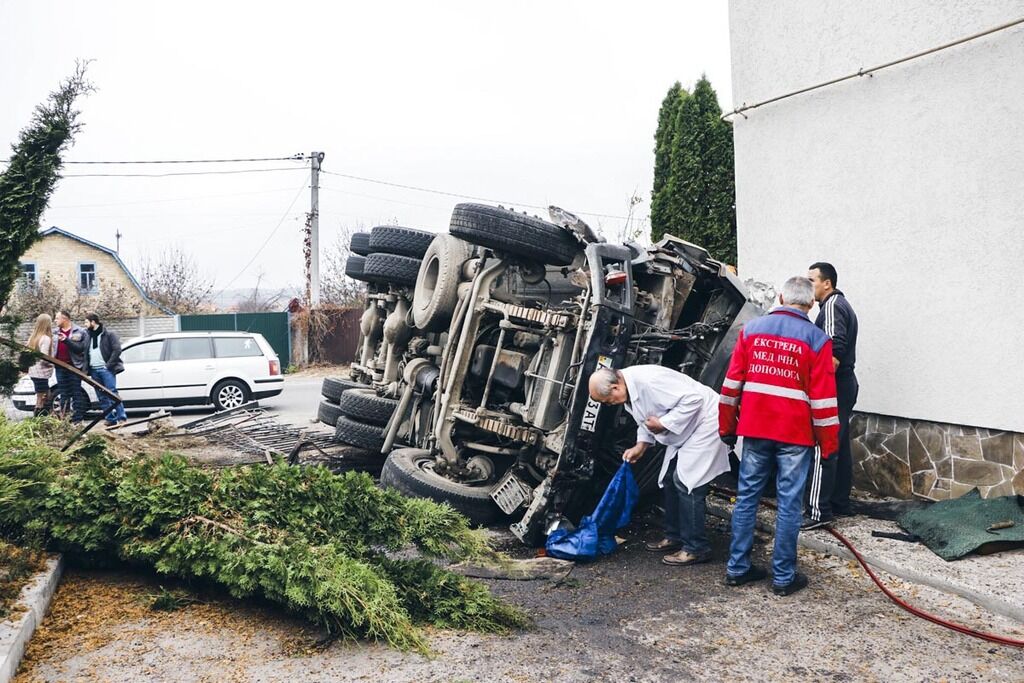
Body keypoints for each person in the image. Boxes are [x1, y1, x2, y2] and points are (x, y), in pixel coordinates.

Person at [719, 276, 839, 596]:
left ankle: (737, 568)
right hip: (795, 436)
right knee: (788, 505)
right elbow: (825, 402)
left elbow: (731, 387)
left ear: (782, 297)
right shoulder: (817, 340)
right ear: (812, 304)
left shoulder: (752, 330)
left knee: (747, 498)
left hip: (755, 430)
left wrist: (727, 428)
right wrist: (829, 446)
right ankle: (783, 578)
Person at [589, 365, 730, 566]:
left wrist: (664, 423)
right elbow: (646, 418)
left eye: (608, 400)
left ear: (615, 387)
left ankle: (696, 548)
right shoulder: (628, 389)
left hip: (706, 420)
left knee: (687, 483)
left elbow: (694, 399)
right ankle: (675, 536)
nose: (610, 404)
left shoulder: (649, 382)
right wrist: (641, 445)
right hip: (688, 428)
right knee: (667, 479)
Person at [804, 262, 860, 529]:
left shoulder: (832, 306)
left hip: (835, 385)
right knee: (839, 444)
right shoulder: (842, 305)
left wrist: (816, 387)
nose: (809, 285)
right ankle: (840, 502)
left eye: (812, 280)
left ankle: (818, 511)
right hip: (845, 385)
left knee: (823, 444)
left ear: (827, 283)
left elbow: (832, 353)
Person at [84, 313, 126, 426]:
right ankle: (110, 418)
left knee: (112, 393)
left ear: (93, 322)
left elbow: (117, 350)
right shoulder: (88, 335)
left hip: (106, 369)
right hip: (94, 370)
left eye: (86, 322)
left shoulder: (109, 334)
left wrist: (108, 366)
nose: (85, 325)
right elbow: (84, 351)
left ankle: (122, 417)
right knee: (101, 396)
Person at [52, 310, 89, 423]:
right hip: (59, 367)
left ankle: (77, 420)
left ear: (65, 319)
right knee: (64, 393)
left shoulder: (80, 332)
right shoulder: (54, 332)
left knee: (76, 392)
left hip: (74, 366)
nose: (55, 320)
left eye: (57, 318)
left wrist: (66, 340)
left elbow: (80, 349)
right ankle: (65, 419)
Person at [25, 313, 54, 417]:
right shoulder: (46, 338)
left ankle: (38, 418)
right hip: (41, 372)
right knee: (44, 398)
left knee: (40, 397)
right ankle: (41, 419)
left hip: (33, 371)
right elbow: (44, 357)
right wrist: (52, 364)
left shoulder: (33, 338)